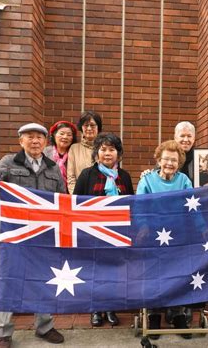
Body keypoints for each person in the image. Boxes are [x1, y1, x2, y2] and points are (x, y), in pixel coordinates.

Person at [0, 123, 65, 348]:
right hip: (14, 235)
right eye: (30, 137)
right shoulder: (8, 163)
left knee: (45, 278)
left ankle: (44, 326)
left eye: (39, 138)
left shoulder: (53, 167)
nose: (35, 141)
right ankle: (3, 333)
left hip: (43, 234)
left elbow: (62, 199)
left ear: (46, 142)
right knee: (8, 278)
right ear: (20, 141)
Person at [73, 133, 134, 327]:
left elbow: (131, 204)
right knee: (95, 271)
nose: (107, 153)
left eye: (112, 149)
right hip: (92, 231)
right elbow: (76, 203)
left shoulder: (124, 176)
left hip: (117, 232)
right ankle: (96, 309)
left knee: (114, 272)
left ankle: (111, 308)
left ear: (119, 154)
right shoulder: (87, 175)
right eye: (103, 149)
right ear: (96, 153)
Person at [136, 140, 192, 339]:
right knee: (154, 275)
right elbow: (139, 206)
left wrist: (202, 229)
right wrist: (142, 227)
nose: (169, 163)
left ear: (180, 163)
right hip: (152, 237)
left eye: (174, 160)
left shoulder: (184, 180)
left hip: (178, 237)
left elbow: (193, 207)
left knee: (178, 274)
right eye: (166, 159)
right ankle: (153, 316)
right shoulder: (147, 180)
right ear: (159, 160)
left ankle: (178, 316)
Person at [67, 111, 103, 194]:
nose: (89, 128)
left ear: (98, 127)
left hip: (101, 198)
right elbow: (71, 177)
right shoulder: (74, 148)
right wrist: (76, 197)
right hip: (80, 199)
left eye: (92, 125)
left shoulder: (104, 148)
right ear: (81, 128)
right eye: (86, 125)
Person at [43, 120, 78, 192]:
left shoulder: (75, 153)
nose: (65, 137)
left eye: (69, 135)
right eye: (61, 134)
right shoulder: (44, 152)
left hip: (70, 194)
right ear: (54, 135)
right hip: (48, 192)